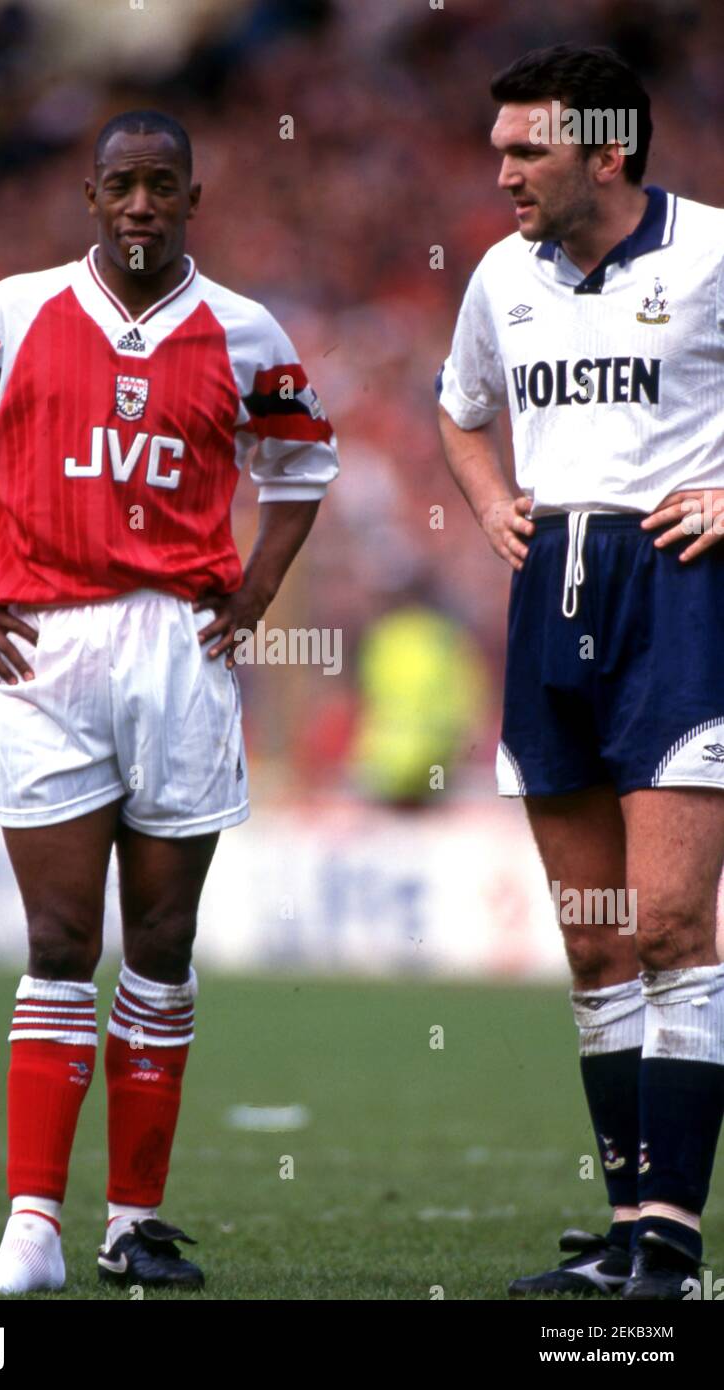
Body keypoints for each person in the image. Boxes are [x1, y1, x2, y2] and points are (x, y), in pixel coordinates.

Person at [0, 109, 338, 1296]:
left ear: (194, 199)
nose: (141, 204)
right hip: (47, 647)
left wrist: (259, 588)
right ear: (89, 197)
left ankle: (134, 1222)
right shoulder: (9, 314)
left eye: (162, 186)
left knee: (166, 941)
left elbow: (301, 468)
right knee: (60, 939)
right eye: (121, 184)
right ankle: (33, 1230)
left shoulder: (244, 330)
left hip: (181, 649)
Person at [437, 44, 724, 1300]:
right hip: (551, 595)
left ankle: (669, 1235)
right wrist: (493, 496)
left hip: (676, 596)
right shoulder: (502, 275)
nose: (500, 171)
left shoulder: (711, 251)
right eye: (498, 147)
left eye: (524, 150)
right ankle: (622, 1232)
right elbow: (457, 407)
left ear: (606, 152)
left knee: (668, 922)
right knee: (598, 943)